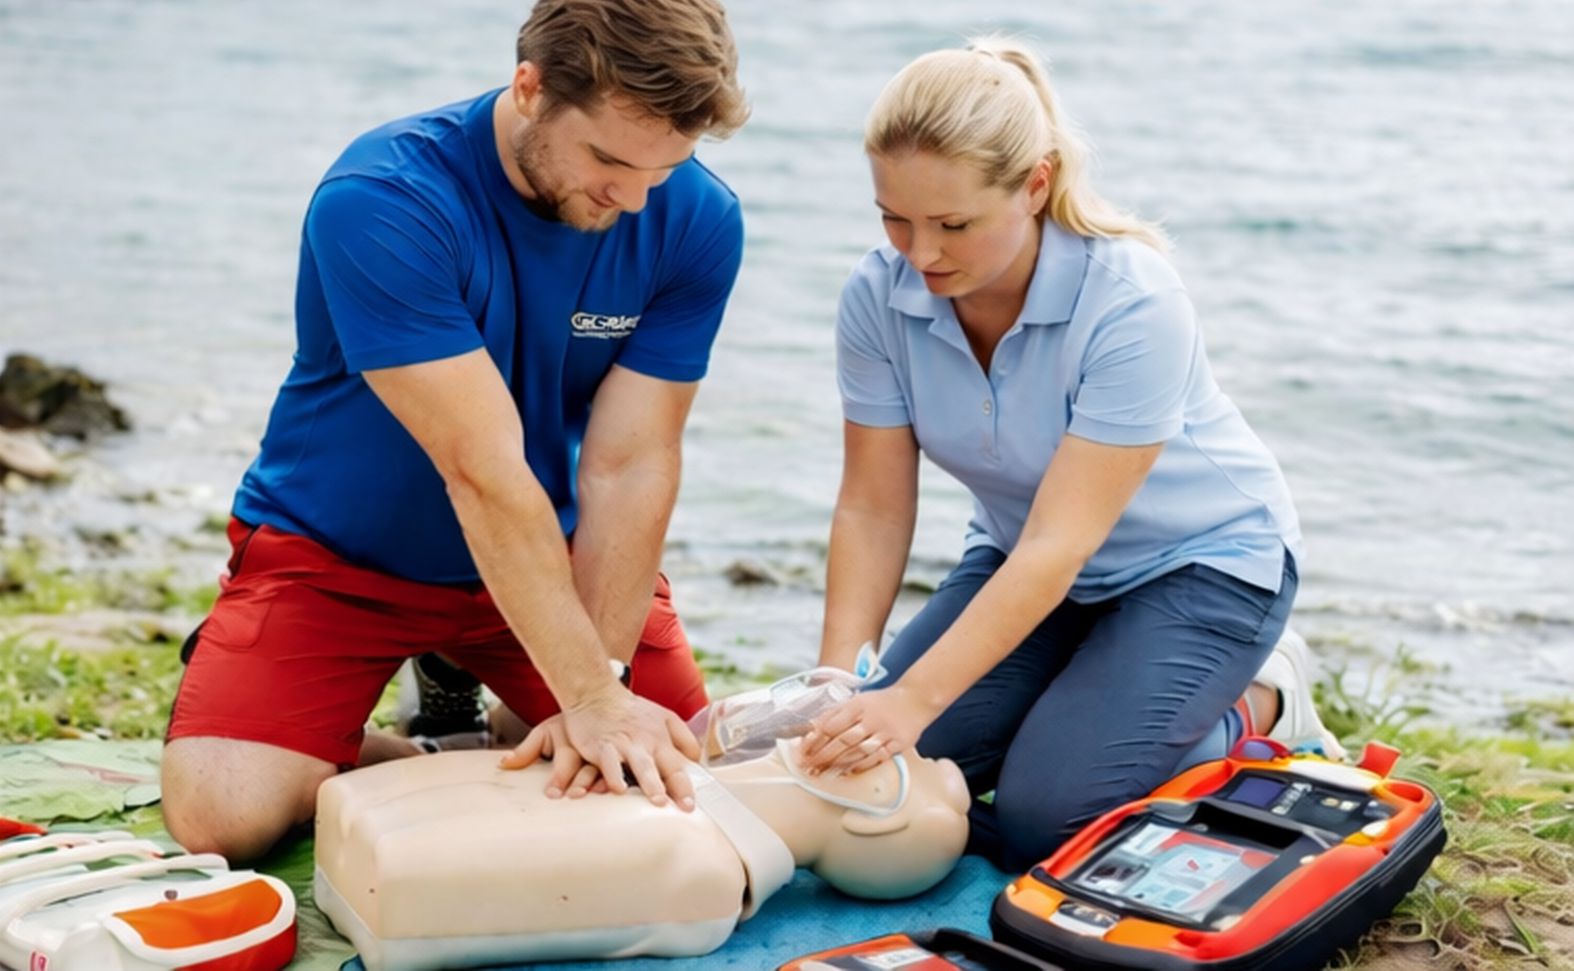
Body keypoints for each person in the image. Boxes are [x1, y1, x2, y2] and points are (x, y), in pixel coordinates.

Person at [161, 0, 750, 863]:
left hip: (548, 553)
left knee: (688, 768)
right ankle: (427, 739)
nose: (632, 200)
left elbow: (629, 464)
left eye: (663, 170)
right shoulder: (385, 198)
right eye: (609, 161)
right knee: (221, 812)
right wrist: (582, 694)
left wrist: (608, 685)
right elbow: (480, 470)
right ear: (530, 88)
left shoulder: (696, 218)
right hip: (338, 557)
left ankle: (472, 697)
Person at [799, 38, 1342, 870]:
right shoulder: (877, 296)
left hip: (1200, 567)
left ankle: (1261, 697)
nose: (922, 252)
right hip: (1029, 567)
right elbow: (873, 506)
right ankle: (1089, 702)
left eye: (954, 223)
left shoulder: (1133, 301)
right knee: (865, 766)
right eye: (893, 218)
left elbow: (1063, 541)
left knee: (1044, 822)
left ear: (1036, 184)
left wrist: (912, 696)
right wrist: (840, 680)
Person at [314, 729, 970, 967]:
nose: (858, 736)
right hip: (376, 845)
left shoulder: (705, 873)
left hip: (391, 871)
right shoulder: (676, 764)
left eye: (889, 766)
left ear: (871, 823)